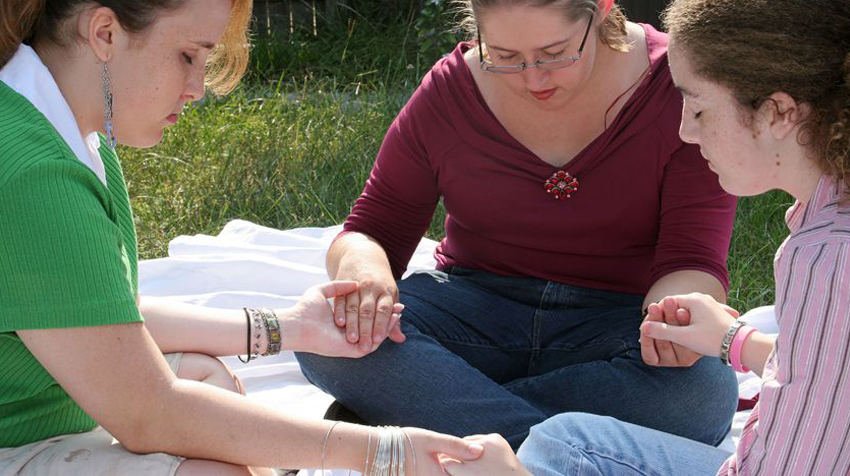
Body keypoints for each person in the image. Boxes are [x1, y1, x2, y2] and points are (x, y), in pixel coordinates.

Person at [0, 1, 487, 474]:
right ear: (104, 33)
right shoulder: (35, 174)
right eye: (188, 56)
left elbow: (101, 319)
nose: (198, 89)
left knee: (205, 378)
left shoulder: (65, 127)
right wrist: (385, 452)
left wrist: (290, 326)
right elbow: (148, 414)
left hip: (44, 412)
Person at [296, 0, 739, 450]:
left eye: (555, 52)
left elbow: (693, 258)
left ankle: (435, 416)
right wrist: (365, 272)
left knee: (701, 393)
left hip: (617, 325)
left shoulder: (674, 87)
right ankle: (550, 456)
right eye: (505, 57)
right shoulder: (450, 92)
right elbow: (373, 227)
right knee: (324, 334)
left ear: (602, 10)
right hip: (474, 308)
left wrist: (673, 316)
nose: (533, 78)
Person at [437, 0, 850, 474]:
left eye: (695, 106)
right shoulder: (826, 225)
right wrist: (733, 339)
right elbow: (832, 371)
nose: (684, 131)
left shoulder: (829, 257)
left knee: (560, 446)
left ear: (777, 112)